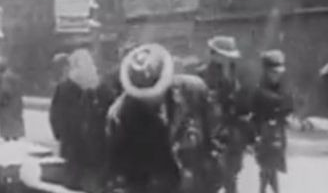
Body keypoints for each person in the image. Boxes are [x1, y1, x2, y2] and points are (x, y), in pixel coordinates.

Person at [107, 43, 220, 193]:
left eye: (156, 89)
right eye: (144, 93)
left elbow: (214, 136)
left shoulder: (194, 91)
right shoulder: (119, 116)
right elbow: (120, 170)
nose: (152, 97)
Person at [49, 49, 116, 193]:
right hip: (98, 150)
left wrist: (61, 135)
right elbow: (113, 116)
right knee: (95, 184)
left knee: (74, 184)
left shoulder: (64, 88)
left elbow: (56, 117)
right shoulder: (102, 89)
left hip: (73, 149)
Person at [194, 36, 250, 193]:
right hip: (209, 132)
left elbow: (238, 106)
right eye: (225, 56)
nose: (228, 60)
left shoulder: (232, 76)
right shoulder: (201, 76)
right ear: (215, 55)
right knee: (214, 177)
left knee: (230, 175)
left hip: (228, 133)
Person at [251, 50, 293, 193]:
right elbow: (255, 114)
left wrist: (286, 116)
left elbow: (289, 108)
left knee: (272, 168)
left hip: (278, 134)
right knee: (266, 168)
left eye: (278, 72)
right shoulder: (258, 90)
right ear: (266, 72)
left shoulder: (283, 88)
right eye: (273, 72)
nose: (276, 75)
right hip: (264, 135)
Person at [0, 52, 24, 141]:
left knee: (7, 132)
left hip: (7, 109)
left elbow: (5, 92)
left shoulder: (5, 77)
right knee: (15, 132)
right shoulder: (15, 76)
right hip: (16, 107)